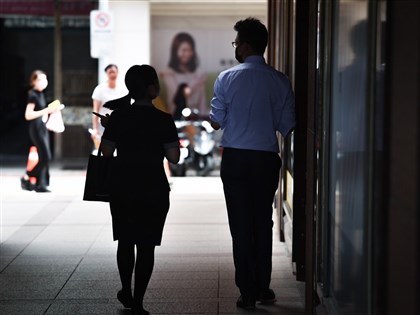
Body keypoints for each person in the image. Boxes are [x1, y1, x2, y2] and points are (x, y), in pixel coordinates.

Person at [209, 17, 296, 310]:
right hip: (265, 159)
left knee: (240, 225)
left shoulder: (226, 78)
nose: (235, 48)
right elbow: (288, 125)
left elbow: (217, 120)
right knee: (263, 222)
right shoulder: (280, 80)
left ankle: (246, 291)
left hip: (234, 158)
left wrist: (220, 119)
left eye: (236, 43)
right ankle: (262, 286)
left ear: (245, 45)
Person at [99, 65, 180, 315]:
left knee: (125, 241)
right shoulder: (164, 119)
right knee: (146, 246)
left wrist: (111, 127)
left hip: (122, 186)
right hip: (153, 187)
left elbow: (106, 152)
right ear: (150, 88)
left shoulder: (119, 117)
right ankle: (138, 301)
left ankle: (126, 288)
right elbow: (174, 157)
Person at [20, 70, 61, 193]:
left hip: (42, 127)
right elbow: (28, 115)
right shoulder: (32, 95)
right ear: (33, 81)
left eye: (45, 79)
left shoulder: (41, 94)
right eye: (40, 80)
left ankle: (40, 184)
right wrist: (46, 110)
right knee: (46, 157)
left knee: (44, 157)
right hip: (36, 128)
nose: (44, 82)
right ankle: (27, 177)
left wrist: (52, 110)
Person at [160, 32, 207, 115]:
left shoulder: (199, 73)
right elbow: (180, 95)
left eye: (190, 50)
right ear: (175, 51)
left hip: (195, 116)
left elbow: (202, 102)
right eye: (184, 50)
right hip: (176, 116)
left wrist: (204, 118)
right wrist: (197, 81)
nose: (187, 54)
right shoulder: (168, 73)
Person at [91, 64, 127, 149]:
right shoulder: (99, 90)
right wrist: (95, 129)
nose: (112, 74)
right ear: (106, 74)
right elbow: (95, 110)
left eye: (114, 72)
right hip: (103, 125)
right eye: (110, 72)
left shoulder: (122, 90)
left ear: (117, 73)